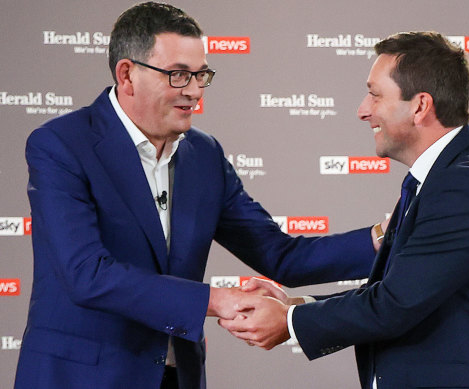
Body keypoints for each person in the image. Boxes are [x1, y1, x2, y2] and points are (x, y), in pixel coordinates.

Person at [14, 2, 383, 388]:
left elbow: (280, 255)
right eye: (178, 75)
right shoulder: (61, 145)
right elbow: (86, 274)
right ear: (127, 75)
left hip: (178, 377)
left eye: (200, 75)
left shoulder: (204, 155)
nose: (193, 91)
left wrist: (381, 238)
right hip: (79, 377)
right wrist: (215, 300)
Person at [220, 31, 469, 389]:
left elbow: (393, 305)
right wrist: (297, 302)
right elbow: (398, 291)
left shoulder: (464, 186)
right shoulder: (441, 178)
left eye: (374, 95)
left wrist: (291, 319)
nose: (362, 110)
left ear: (419, 106)